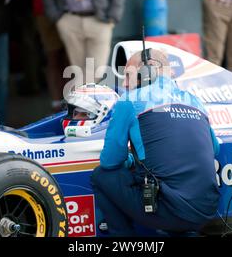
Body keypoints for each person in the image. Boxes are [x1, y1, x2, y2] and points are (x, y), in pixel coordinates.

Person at [90, 49, 220, 236]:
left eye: (128, 75)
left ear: (147, 71)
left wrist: (131, 159)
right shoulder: (194, 100)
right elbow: (213, 149)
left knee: (101, 176)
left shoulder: (130, 100)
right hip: (207, 209)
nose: (125, 84)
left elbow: (110, 162)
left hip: (171, 210)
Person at [16, 0, 69, 111]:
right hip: (43, 6)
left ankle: (75, 104)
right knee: (53, 56)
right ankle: (56, 106)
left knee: (71, 57)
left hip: (71, 5)